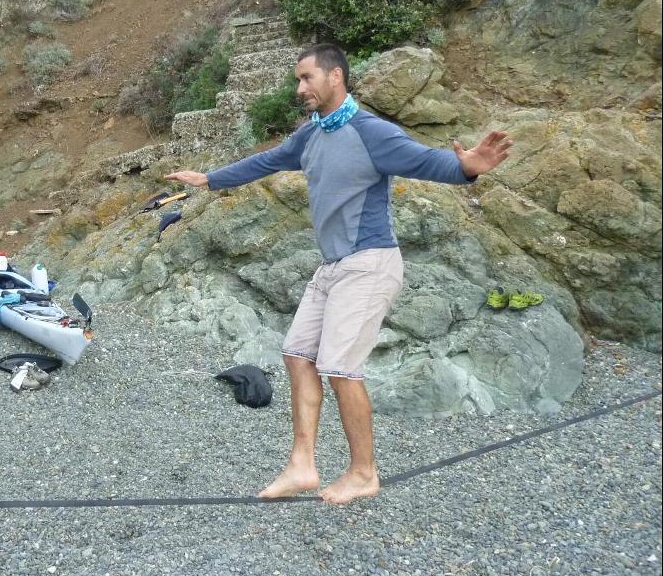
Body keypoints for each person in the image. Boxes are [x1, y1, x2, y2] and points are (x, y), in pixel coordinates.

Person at [164, 43, 512, 505]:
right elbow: (266, 161)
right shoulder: (311, 135)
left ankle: (363, 473)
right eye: (297, 80)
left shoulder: (371, 132)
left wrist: (466, 166)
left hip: (370, 264)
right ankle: (302, 466)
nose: (299, 87)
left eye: (306, 78)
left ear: (335, 77)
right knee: (297, 353)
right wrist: (211, 178)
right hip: (333, 266)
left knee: (341, 368)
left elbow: (425, 160)